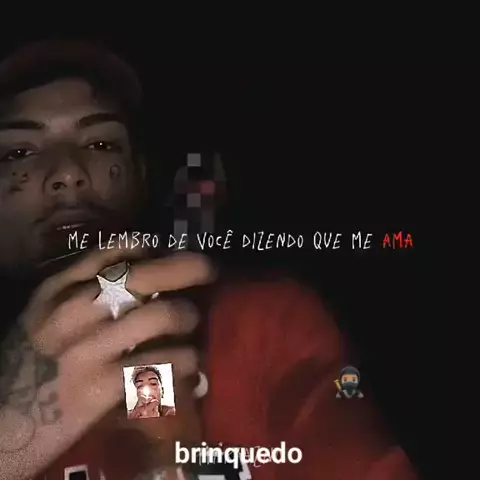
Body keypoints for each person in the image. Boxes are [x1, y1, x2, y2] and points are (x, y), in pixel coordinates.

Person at [0, 40, 419, 479]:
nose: (68, 173)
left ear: (141, 176)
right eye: (18, 152)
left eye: (101, 143)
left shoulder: (260, 328)